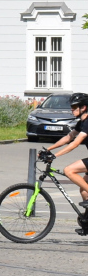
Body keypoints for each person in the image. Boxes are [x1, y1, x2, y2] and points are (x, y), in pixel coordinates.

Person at [42, 91, 88, 235]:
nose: (71, 110)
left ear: (83, 107)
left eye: (74, 107)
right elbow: (68, 137)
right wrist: (48, 149)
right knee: (83, 189)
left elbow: (75, 143)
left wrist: (55, 155)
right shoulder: (82, 122)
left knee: (69, 170)